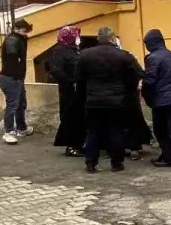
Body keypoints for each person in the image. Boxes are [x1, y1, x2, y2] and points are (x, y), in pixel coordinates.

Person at [79, 26, 143, 173]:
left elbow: (79, 78)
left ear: (98, 38)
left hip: (93, 100)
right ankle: (116, 163)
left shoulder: (85, 55)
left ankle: (90, 163)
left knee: (93, 132)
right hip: (117, 100)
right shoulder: (123, 55)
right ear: (113, 38)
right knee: (116, 131)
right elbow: (139, 73)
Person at [142, 29, 171, 167]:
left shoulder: (153, 58)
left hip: (161, 100)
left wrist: (146, 96)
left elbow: (149, 81)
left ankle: (170, 159)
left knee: (161, 131)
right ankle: (167, 155)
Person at [48, 26, 85, 157]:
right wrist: (70, 81)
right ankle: (71, 145)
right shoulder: (59, 51)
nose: (78, 39)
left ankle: (80, 143)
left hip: (79, 90)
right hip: (69, 91)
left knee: (79, 117)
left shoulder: (75, 51)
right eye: (76, 36)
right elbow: (55, 70)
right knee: (70, 116)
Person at [0, 18, 33, 145]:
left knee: (20, 104)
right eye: (24, 30)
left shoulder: (18, 39)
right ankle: (9, 132)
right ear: (17, 29)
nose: (26, 33)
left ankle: (21, 128)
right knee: (13, 105)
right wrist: (17, 74)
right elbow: (13, 57)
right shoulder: (13, 40)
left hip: (16, 78)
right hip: (11, 78)